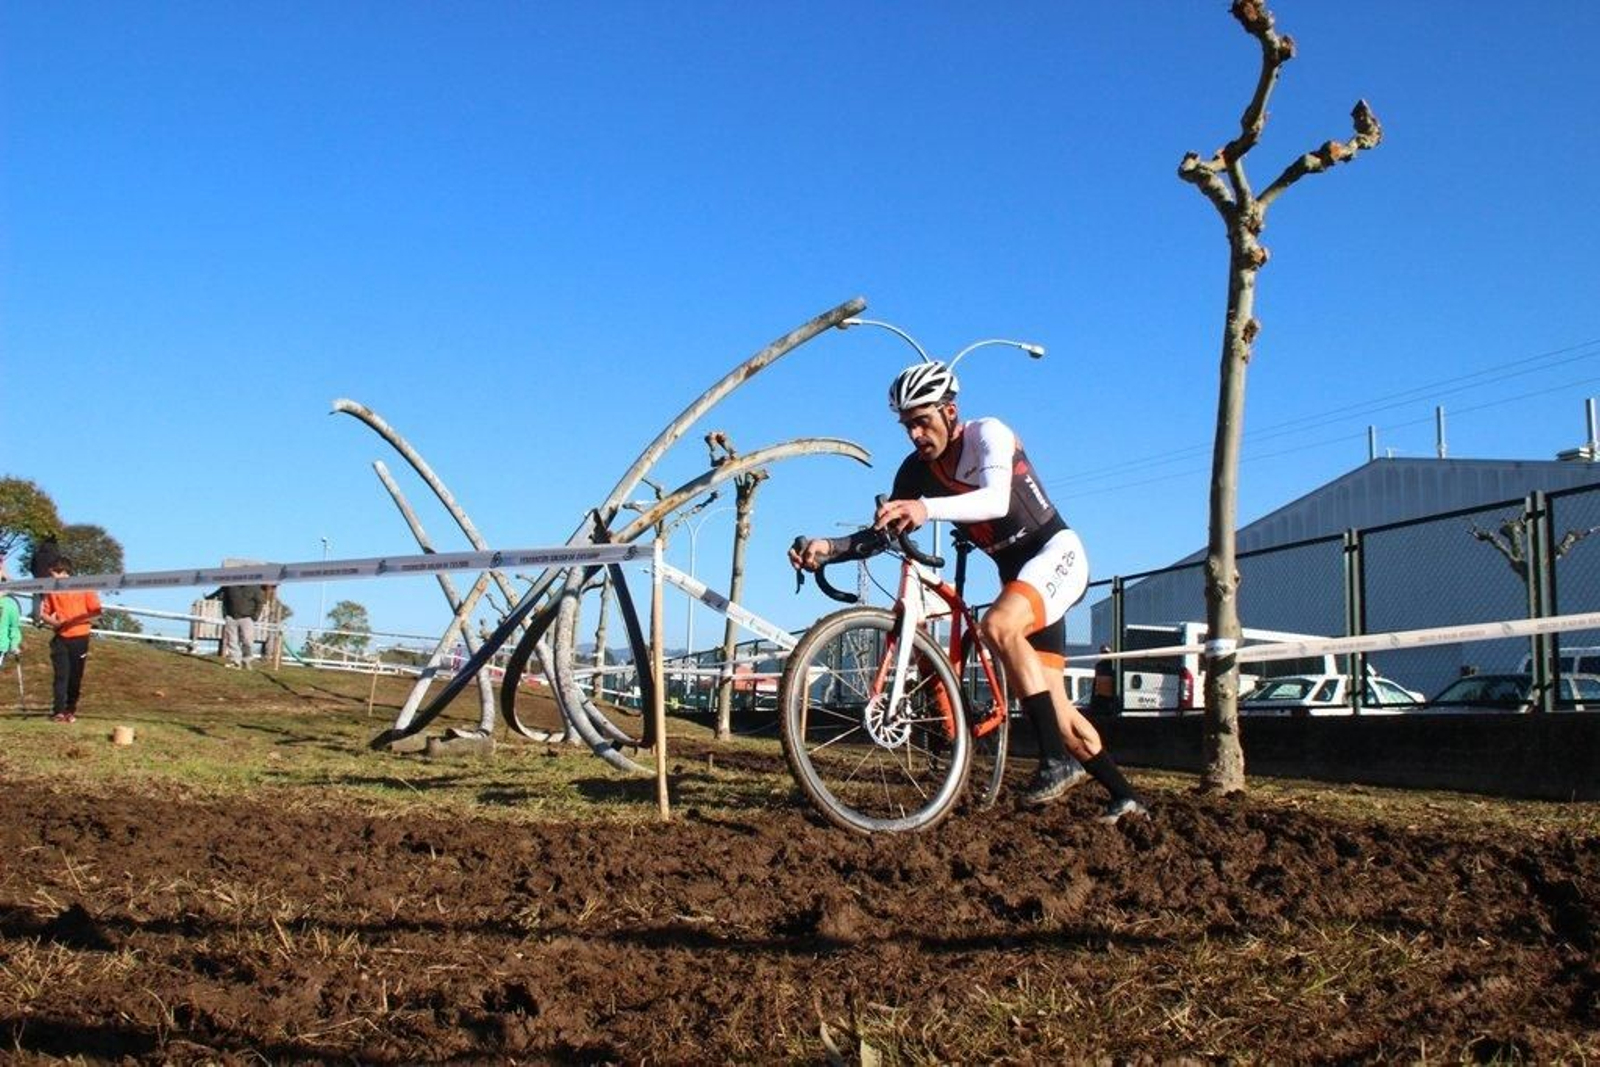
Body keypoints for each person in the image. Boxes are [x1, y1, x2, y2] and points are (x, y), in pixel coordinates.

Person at [789, 359, 1148, 823]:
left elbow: (996, 499)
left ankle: (1055, 763)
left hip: (1056, 555)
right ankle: (1125, 795)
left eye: (922, 420)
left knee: (997, 625)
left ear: (950, 412)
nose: (915, 434)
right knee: (1057, 713)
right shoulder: (915, 471)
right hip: (1017, 577)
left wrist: (925, 507)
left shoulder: (988, 434)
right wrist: (828, 548)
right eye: (907, 425)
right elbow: (882, 534)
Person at [39, 556, 102, 723]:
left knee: (75, 676)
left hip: (80, 637)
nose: (51, 577)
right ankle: (58, 711)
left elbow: (96, 612)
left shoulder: (84, 587)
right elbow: (43, 613)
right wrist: (55, 622)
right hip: (60, 637)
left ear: (62, 571)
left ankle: (70, 710)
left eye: (52, 573)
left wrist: (74, 620)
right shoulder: (51, 590)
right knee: (61, 675)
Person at [206, 583, 267, 669]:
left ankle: (246, 661)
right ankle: (235, 662)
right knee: (232, 641)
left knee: (247, 640)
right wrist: (225, 614)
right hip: (231, 617)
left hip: (247, 618)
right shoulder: (230, 586)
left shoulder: (255, 587)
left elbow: (260, 602)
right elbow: (225, 600)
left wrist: (255, 616)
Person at [1088, 644, 1118, 715]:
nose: (1104, 655)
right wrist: (1092, 699)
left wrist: (1114, 699)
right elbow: (1095, 682)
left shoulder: (1114, 665)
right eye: (1103, 653)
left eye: (1106, 653)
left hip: (1109, 699)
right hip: (1099, 698)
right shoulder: (1099, 666)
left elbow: (1114, 683)